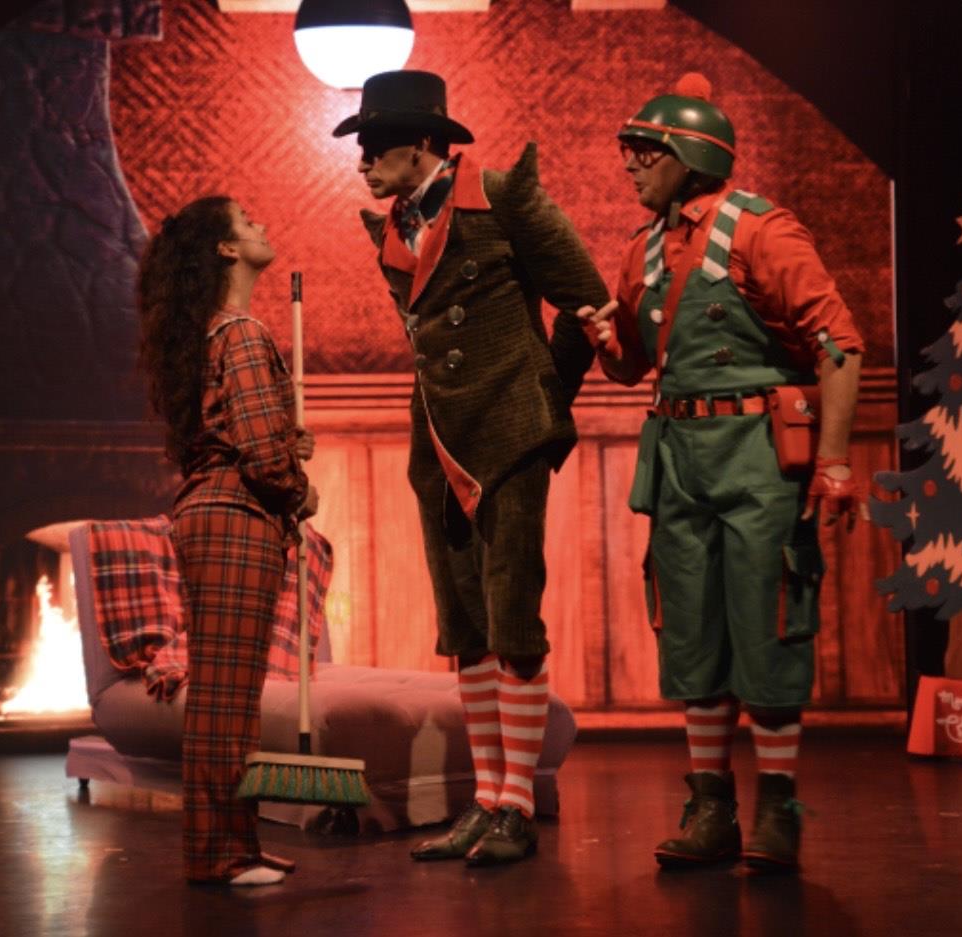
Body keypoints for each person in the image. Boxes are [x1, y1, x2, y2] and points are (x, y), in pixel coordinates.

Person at [578, 73, 866, 872]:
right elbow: (633, 368)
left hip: (758, 460)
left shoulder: (760, 230)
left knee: (767, 626)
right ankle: (710, 806)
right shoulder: (643, 248)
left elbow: (840, 346)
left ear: (690, 155)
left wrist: (835, 462)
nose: (631, 166)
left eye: (646, 152)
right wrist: (607, 339)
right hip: (678, 461)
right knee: (691, 630)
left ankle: (778, 806)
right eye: (631, 152)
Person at [333, 70, 607, 865]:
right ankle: (487, 800)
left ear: (423, 142)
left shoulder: (502, 198)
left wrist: (542, 399)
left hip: (508, 435)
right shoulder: (391, 231)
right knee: (466, 626)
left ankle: (517, 803)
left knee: (513, 616)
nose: (363, 161)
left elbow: (587, 302)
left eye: (375, 145)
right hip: (439, 444)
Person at [137, 195, 317, 886]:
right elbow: (264, 460)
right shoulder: (240, 332)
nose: (262, 223)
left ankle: (234, 843)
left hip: (215, 512)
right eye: (247, 220)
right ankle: (218, 852)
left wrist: (284, 441)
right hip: (235, 519)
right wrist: (300, 486)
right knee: (225, 695)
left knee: (229, 692)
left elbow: (237, 436)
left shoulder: (211, 333)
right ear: (225, 248)